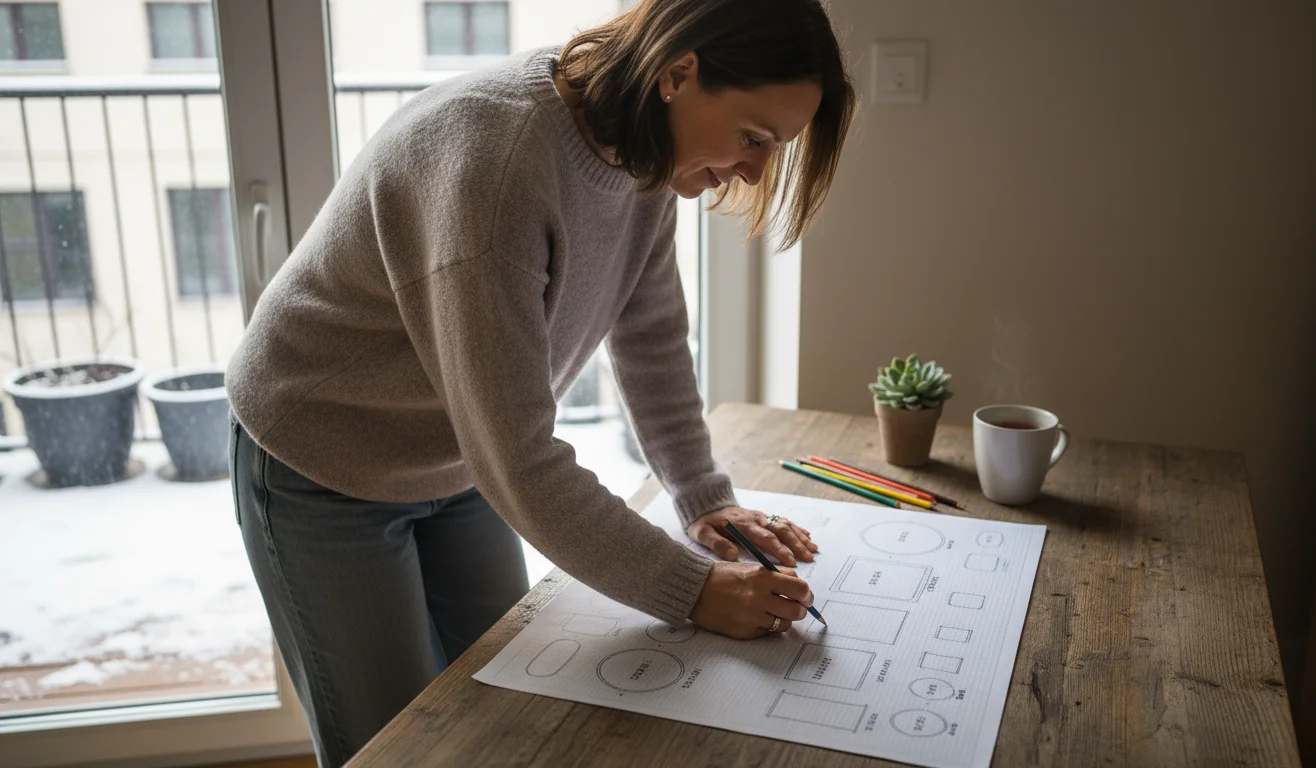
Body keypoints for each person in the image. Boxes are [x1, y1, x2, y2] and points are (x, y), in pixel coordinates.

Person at [224, 0, 855, 763]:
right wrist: (694, 588)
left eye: (774, 147)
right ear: (678, 74)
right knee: (393, 745)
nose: (755, 171)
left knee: (504, 706)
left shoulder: (649, 158)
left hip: (461, 460)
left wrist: (704, 500)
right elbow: (518, 458)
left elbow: (650, 338)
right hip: (319, 460)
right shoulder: (496, 163)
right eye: (754, 137)